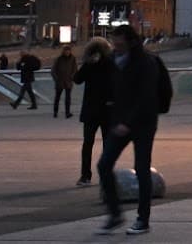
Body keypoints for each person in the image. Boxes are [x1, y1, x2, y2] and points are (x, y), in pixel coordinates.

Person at [97, 25, 168, 235]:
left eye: (119, 42)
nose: (115, 46)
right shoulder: (113, 61)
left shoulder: (146, 62)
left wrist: (127, 122)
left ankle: (142, 220)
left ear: (131, 41)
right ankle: (115, 214)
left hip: (144, 122)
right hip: (120, 122)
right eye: (113, 41)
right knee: (104, 164)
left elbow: (147, 96)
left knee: (142, 168)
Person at [75, 37, 114, 186]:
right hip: (107, 110)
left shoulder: (90, 64)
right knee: (107, 144)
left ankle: (85, 175)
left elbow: (77, 79)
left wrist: (87, 64)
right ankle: (106, 174)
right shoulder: (111, 63)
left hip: (91, 110)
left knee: (87, 144)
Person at [52, 46, 78, 118]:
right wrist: (56, 78)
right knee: (57, 97)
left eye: (68, 51)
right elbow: (53, 70)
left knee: (68, 98)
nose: (67, 52)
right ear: (63, 51)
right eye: (66, 51)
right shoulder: (59, 59)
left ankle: (67, 112)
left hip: (68, 81)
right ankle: (55, 112)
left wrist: (72, 77)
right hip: (59, 81)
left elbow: (75, 69)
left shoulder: (73, 59)